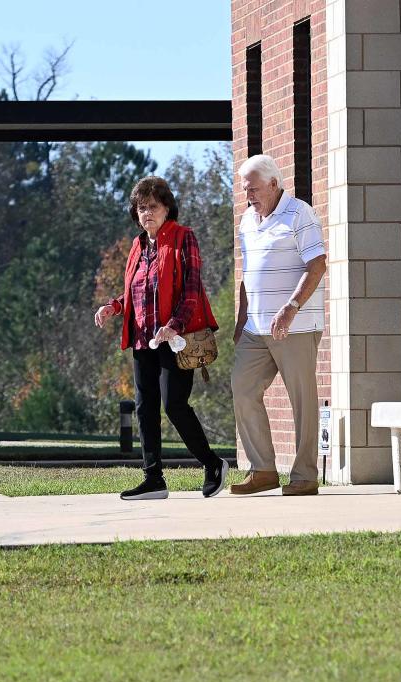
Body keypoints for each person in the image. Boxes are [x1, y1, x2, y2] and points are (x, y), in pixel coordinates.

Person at [94, 176, 227, 501]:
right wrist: (114, 307)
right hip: (144, 341)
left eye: (153, 206)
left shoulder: (184, 238)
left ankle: (212, 464)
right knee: (144, 408)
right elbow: (135, 294)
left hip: (176, 339)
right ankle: (153, 478)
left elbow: (192, 289)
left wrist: (174, 325)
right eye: (141, 208)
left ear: (167, 208)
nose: (147, 213)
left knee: (174, 405)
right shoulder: (138, 247)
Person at [230, 154, 326, 496]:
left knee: (302, 399)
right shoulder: (247, 221)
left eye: (254, 188)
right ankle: (263, 471)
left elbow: (317, 264)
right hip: (256, 328)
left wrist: (291, 308)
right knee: (242, 388)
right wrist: (241, 320)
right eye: (245, 189)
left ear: (274, 183)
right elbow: (248, 275)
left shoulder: (300, 213)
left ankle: (304, 475)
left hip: (295, 326)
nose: (249, 195)